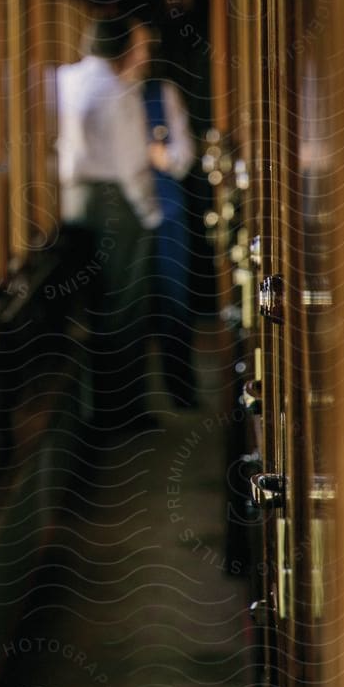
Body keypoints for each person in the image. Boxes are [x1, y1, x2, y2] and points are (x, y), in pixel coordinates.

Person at [56, 13, 161, 437]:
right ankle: (121, 415)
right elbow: (133, 165)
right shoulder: (119, 92)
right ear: (121, 49)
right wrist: (151, 214)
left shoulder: (64, 79)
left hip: (71, 201)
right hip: (114, 203)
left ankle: (97, 411)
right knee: (123, 310)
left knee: (92, 309)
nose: (145, 55)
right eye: (139, 46)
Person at [141, 37, 200, 409]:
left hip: (166, 212)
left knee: (175, 304)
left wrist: (160, 156)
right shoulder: (104, 96)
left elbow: (183, 157)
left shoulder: (163, 93)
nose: (146, 55)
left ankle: (181, 390)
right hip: (122, 218)